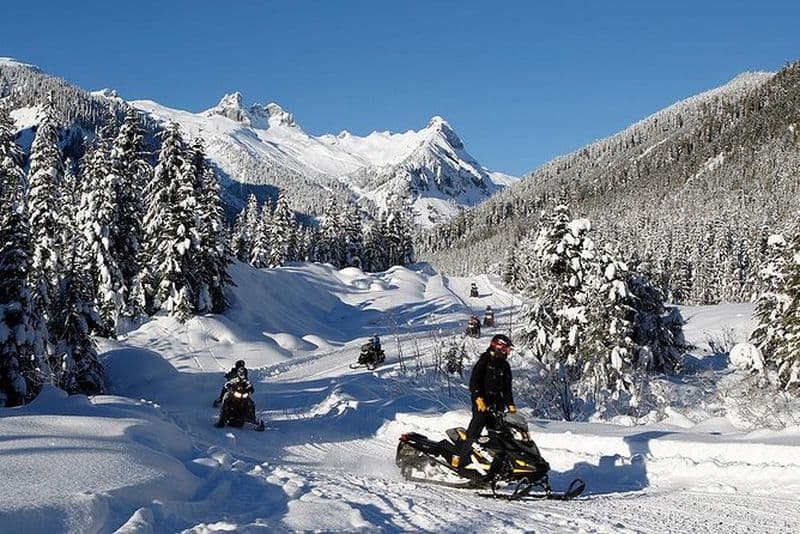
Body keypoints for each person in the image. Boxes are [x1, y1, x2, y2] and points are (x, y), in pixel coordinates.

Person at [457, 334, 516, 476]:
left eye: (508, 350)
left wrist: (511, 405)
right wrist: (478, 397)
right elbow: (474, 381)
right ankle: (463, 462)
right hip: (482, 402)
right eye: (505, 349)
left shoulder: (505, 366)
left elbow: (507, 388)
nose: (507, 352)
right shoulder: (485, 360)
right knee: (477, 426)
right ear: (498, 347)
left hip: (498, 404)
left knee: (499, 434)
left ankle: (496, 465)